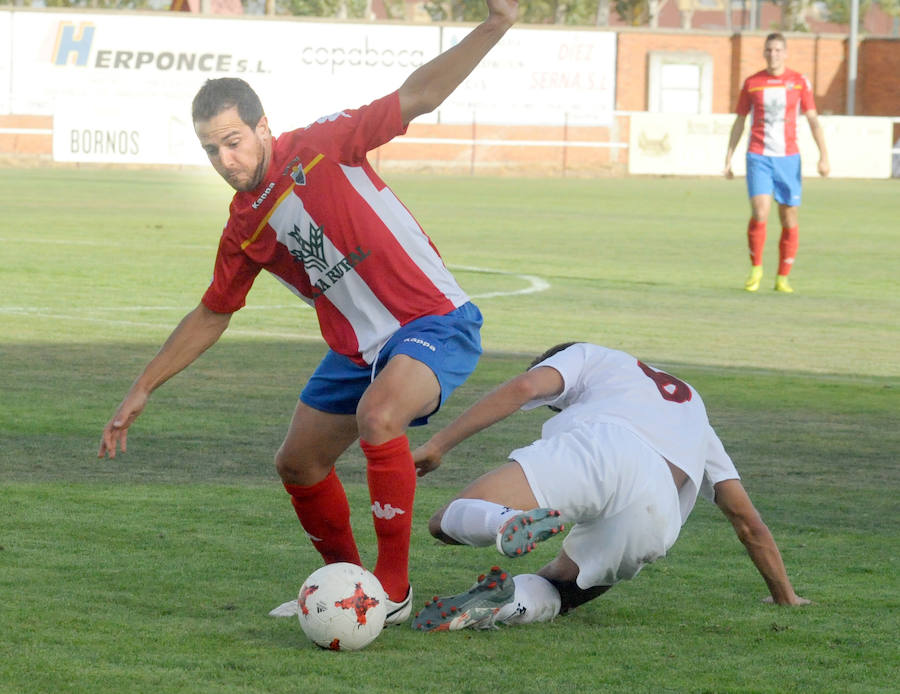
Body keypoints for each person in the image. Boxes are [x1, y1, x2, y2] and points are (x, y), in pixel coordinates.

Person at [98, 0, 521, 625]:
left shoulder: (324, 143)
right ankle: (346, 587)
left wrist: (495, 25)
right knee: (296, 462)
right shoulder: (243, 227)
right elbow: (213, 313)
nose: (225, 161)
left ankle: (391, 590)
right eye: (211, 150)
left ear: (263, 127)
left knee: (380, 417)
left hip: (434, 321)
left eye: (234, 142)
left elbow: (418, 95)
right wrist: (143, 386)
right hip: (358, 349)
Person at [409, 342, 809, 631]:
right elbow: (746, 521)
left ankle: (504, 523)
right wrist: (784, 595)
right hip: (657, 512)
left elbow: (524, 388)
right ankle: (506, 605)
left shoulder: (586, 354)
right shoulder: (695, 420)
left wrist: (438, 445)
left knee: (443, 523)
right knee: (565, 586)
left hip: (599, 450)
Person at [724, 32, 830, 294]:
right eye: (769, 50)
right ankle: (756, 268)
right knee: (760, 211)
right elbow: (739, 121)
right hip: (758, 155)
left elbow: (814, 119)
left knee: (788, 215)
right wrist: (728, 157)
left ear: (785, 53)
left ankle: (783, 276)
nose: (773, 55)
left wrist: (824, 155)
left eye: (778, 50)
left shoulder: (799, 82)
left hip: (788, 158)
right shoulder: (752, 83)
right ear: (764, 53)